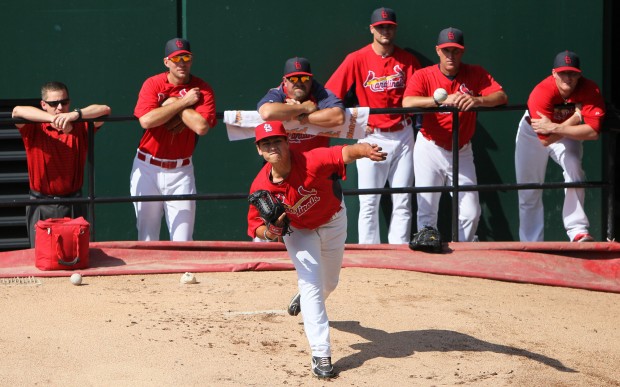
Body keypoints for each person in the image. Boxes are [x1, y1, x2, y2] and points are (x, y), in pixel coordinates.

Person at [247, 121, 387, 379]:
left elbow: (345, 153)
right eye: (266, 143)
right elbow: (256, 228)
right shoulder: (261, 186)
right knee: (311, 283)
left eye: (277, 141)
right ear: (259, 150)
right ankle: (321, 353)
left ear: (287, 143)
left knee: (329, 283)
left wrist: (366, 149)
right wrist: (272, 232)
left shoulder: (312, 160)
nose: (272, 146)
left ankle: (306, 299)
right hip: (298, 231)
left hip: (333, 219)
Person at [326, 7, 421, 244]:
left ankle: (399, 253)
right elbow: (330, 96)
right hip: (372, 138)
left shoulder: (408, 61)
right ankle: (370, 255)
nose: (385, 30)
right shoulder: (356, 59)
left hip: (403, 135)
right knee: (369, 201)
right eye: (380, 27)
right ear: (372, 29)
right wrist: (353, 120)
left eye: (388, 26)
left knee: (403, 199)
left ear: (395, 29)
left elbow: (420, 94)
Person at [402, 27, 508, 242]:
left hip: (462, 150)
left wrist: (478, 100)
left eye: (455, 50)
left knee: (471, 213)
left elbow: (501, 96)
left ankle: (463, 254)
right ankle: (427, 258)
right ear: (438, 51)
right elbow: (407, 102)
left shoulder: (475, 73)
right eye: (446, 50)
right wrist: (440, 100)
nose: (451, 55)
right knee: (427, 209)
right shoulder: (424, 75)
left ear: (462, 52)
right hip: (429, 148)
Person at [131, 38, 217, 241]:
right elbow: (146, 120)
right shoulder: (153, 83)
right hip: (147, 165)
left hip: (181, 170)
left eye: (186, 57)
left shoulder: (202, 88)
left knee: (183, 239)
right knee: (147, 238)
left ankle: (183, 275)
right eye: (176, 58)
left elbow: (201, 126)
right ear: (166, 62)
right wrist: (183, 103)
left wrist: (174, 104)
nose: (181, 63)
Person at [515, 51, 605, 242]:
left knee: (573, 166)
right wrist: (576, 118)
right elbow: (545, 140)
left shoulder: (590, 89)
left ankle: (578, 230)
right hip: (532, 134)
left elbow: (593, 132)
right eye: (563, 73)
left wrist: (558, 126)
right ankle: (531, 244)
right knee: (529, 188)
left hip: (564, 132)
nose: (568, 78)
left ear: (579, 74)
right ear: (554, 73)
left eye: (572, 73)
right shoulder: (542, 91)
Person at [11, 81, 111, 247]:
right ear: (43, 105)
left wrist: (74, 115)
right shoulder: (35, 127)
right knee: (41, 258)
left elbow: (105, 110)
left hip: (73, 203)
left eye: (64, 102)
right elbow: (17, 111)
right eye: (53, 104)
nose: (59, 107)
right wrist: (53, 119)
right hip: (41, 203)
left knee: (77, 256)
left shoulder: (79, 126)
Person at [257, 56, 345, 153]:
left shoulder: (320, 92)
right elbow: (267, 113)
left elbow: (339, 117)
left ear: (311, 80)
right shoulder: (278, 93)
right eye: (293, 79)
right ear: (285, 81)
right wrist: (303, 108)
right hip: (285, 160)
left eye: (304, 78)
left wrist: (301, 117)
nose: (299, 83)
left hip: (318, 159)